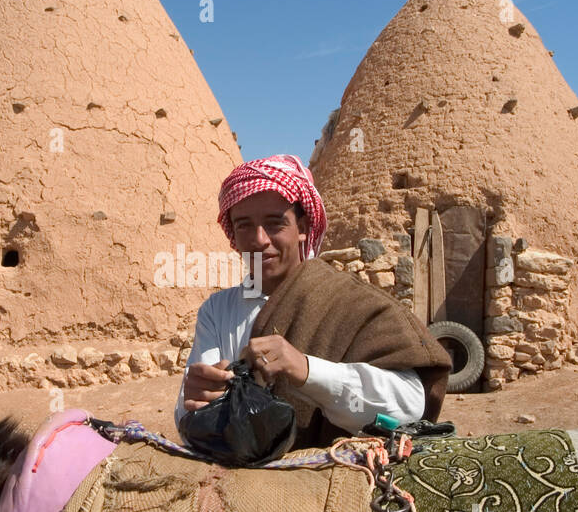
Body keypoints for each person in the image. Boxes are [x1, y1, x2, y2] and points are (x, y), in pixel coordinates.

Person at [174, 155, 452, 450]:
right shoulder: (218, 311)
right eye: (244, 225)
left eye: (274, 223)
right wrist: (196, 402)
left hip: (333, 483)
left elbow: (410, 407)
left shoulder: (351, 302)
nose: (259, 240)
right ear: (232, 235)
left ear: (303, 226)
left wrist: (307, 371)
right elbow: (188, 417)